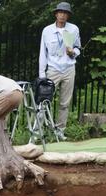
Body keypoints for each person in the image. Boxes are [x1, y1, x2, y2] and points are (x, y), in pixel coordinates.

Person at [39, 1, 81, 139]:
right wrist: (42, 73)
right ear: (56, 14)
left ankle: (60, 130)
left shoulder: (74, 29)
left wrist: (73, 53)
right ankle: (39, 130)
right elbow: (43, 53)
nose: (62, 15)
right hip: (53, 69)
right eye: (60, 12)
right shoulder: (47, 30)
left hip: (69, 68)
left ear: (68, 16)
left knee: (65, 102)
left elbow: (78, 48)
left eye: (65, 13)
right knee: (44, 100)